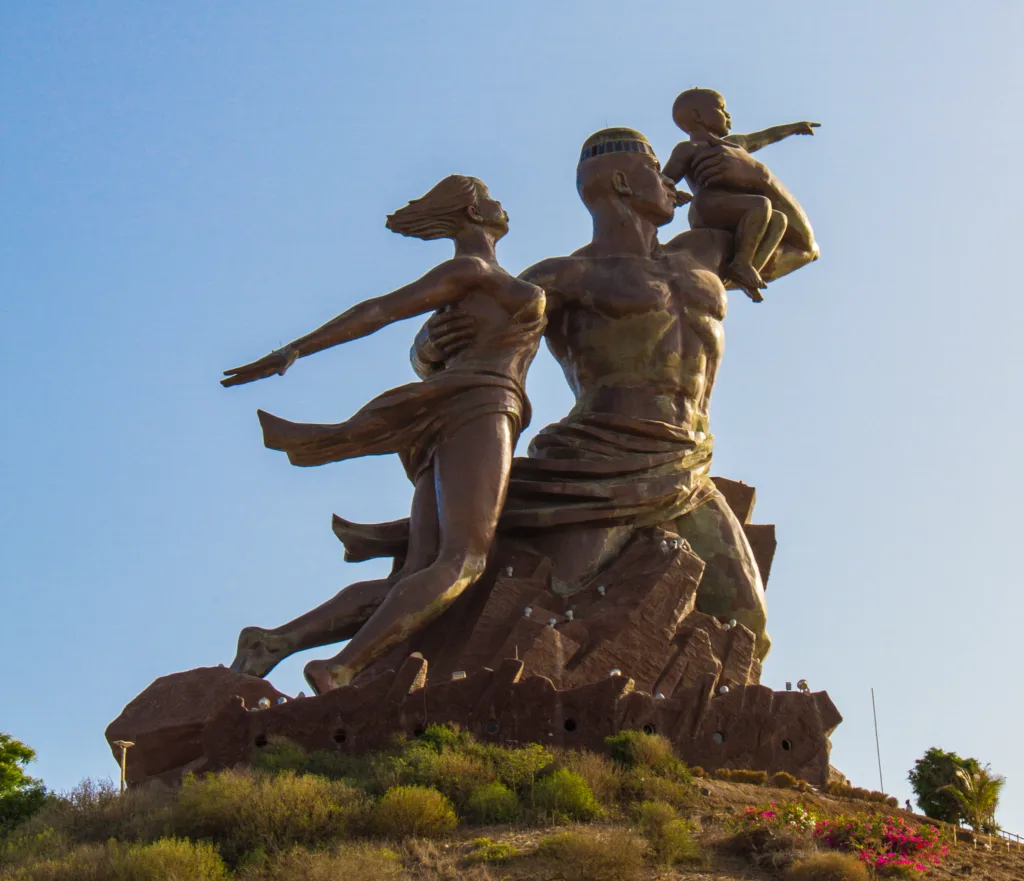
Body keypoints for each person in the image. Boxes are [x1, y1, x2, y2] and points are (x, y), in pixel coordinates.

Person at [233, 127, 818, 681]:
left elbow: (801, 248)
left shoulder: (705, 252)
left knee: (746, 622)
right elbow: (468, 337)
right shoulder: (564, 277)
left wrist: (759, 175)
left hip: (687, 461)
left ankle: (687, 746)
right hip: (593, 465)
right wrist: (428, 347)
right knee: (538, 601)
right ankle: (296, 649)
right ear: (620, 184)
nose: (674, 182)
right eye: (656, 172)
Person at [222, 175, 545, 692]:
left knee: (415, 571)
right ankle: (340, 669)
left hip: (452, 414)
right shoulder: (472, 270)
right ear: (472, 212)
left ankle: (273, 641)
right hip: (480, 407)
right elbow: (378, 311)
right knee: (465, 560)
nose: (501, 202)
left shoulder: (477, 279)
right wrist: (297, 349)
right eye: (488, 196)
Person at [663, 88, 818, 302]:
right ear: (697, 116)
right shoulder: (688, 149)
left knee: (778, 219)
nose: (728, 115)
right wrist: (672, 193)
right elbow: (665, 178)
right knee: (761, 205)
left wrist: (793, 128)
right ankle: (741, 263)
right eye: (721, 108)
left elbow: (764, 137)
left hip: (737, 206)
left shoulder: (735, 144)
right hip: (709, 205)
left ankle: (746, 270)